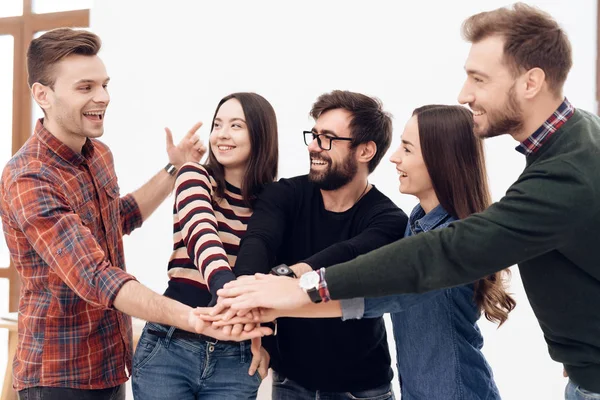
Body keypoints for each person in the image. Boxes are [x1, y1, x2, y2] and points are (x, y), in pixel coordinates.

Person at [215, 4, 600, 399]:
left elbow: (430, 260)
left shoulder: (565, 172)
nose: (464, 94)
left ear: (531, 82)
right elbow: (374, 294)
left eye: (479, 79)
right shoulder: (572, 141)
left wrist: (300, 288)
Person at [0, 28, 267, 400]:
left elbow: (119, 217)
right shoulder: (28, 176)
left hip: (110, 361)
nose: (103, 97)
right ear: (42, 94)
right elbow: (95, 275)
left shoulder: (98, 155)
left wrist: (175, 169)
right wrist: (194, 318)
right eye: (85, 87)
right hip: (59, 374)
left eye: (104, 85)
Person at [214, 105, 516, 399]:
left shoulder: (450, 241)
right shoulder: (416, 224)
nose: (395, 158)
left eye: (408, 149)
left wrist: (276, 299)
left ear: (442, 160)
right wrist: (260, 305)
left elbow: (369, 295)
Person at [225, 90, 408, 399]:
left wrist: (287, 277)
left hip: (362, 389)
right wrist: (248, 306)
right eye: (314, 135)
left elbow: (347, 254)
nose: (313, 146)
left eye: (327, 138)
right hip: (291, 383)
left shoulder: (389, 220)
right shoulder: (283, 195)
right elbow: (258, 243)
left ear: (365, 151)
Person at [132, 92, 278, 400]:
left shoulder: (274, 201)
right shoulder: (194, 175)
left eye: (236, 125)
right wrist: (225, 288)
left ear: (261, 134)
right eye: (218, 124)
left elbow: (274, 278)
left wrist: (267, 342)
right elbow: (201, 233)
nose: (222, 134)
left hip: (235, 358)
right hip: (170, 347)